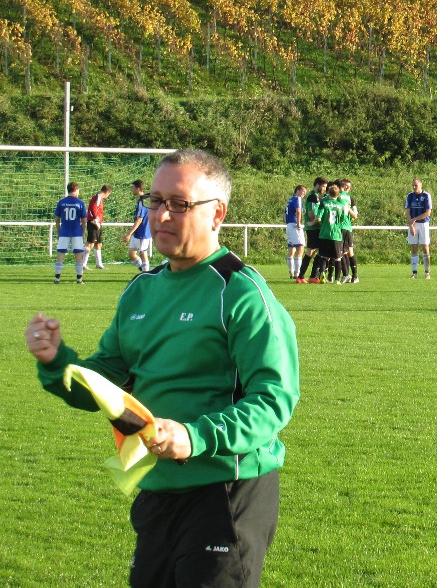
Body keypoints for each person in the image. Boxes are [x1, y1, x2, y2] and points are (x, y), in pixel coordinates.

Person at [25, 148, 299, 588]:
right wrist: (57, 362)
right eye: (155, 201)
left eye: (180, 203)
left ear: (217, 213)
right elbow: (105, 383)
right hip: (157, 490)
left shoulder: (241, 293)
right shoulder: (141, 290)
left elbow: (273, 401)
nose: (162, 215)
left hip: (225, 493)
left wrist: (194, 436)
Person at [309, 183, 347, 284]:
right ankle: (337, 279)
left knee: (323, 256)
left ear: (329, 193)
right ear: (337, 195)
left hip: (324, 233)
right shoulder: (341, 205)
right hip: (336, 235)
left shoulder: (324, 203)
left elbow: (318, 218)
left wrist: (323, 224)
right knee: (338, 258)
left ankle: (322, 273)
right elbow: (342, 219)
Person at [53, 181, 88, 284]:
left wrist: (58, 232)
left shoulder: (61, 202)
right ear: (76, 190)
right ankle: (79, 279)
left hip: (64, 232)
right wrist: (83, 232)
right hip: (76, 233)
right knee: (78, 256)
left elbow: (57, 219)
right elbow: (84, 220)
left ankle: (57, 278)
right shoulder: (80, 203)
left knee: (60, 255)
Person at [296, 177, 327, 283]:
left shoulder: (317, 196)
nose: (324, 189)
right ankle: (301, 276)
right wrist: (317, 223)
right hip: (313, 228)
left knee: (317, 251)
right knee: (311, 251)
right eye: (323, 186)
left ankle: (313, 276)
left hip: (316, 227)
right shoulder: (312, 196)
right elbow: (311, 213)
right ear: (318, 184)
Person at [405, 177, 433, 279]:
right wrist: (411, 225)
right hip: (413, 224)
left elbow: (428, 212)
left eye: (416, 185)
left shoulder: (426, 196)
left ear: (421, 185)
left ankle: (427, 272)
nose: (414, 187)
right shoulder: (410, 196)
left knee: (425, 247)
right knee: (414, 247)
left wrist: (414, 219)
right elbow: (408, 212)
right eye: (413, 185)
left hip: (423, 224)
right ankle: (414, 272)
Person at [124, 179, 152, 272]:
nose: (132, 189)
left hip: (142, 232)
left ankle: (146, 274)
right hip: (137, 232)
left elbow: (139, 219)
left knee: (143, 253)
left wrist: (129, 234)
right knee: (131, 253)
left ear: (138, 189)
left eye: (133, 188)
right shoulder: (143, 200)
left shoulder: (143, 201)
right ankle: (144, 270)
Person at [338, 178, 359, 284]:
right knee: (346, 251)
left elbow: (355, 215)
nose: (347, 188)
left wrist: (347, 207)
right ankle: (349, 275)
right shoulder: (340, 196)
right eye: (345, 185)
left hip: (345, 227)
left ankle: (351, 275)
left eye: (349, 186)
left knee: (346, 252)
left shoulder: (350, 199)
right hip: (342, 227)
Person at [86, 184, 112, 269]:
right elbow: (93, 209)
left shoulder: (99, 198)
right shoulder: (98, 197)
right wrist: (95, 220)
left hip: (98, 222)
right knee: (90, 243)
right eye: (109, 194)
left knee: (98, 243)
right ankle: (83, 263)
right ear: (107, 192)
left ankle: (99, 264)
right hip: (94, 223)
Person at [285, 185, 307, 279]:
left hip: (289, 225)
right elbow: (298, 211)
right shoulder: (297, 199)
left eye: (305, 192)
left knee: (291, 249)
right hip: (294, 225)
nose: (304, 194)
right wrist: (298, 223)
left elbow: (285, 213)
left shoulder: (290, 199)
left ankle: (291, 272)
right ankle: (297, 273)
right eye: (303, 191)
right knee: (300, 248)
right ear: (297, 190)